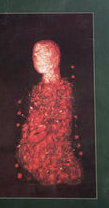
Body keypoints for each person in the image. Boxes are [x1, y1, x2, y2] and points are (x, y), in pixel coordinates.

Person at [16, 40, 82, 185]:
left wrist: (40, 134)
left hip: (51, 150)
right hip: (34, 147)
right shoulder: (37, 89)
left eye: (43, 53)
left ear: (55, 57)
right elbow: (33, 118)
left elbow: (62, 126)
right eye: (35, 54)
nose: (37, 56)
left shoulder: (63, 90)